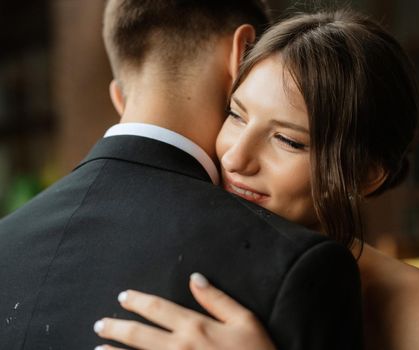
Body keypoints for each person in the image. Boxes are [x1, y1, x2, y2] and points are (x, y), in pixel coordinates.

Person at [95, 8, 419, 350]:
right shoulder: (168, 250)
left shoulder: (412, 298)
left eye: (288, 140)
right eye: (236, 115)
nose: (236, 157)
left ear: (365, 175)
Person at [0, 2, 364, 350]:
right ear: (242, 54)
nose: (239, 159)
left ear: (119, 98)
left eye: (287, 139)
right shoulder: (300, 266)